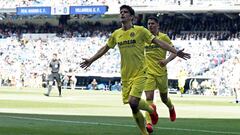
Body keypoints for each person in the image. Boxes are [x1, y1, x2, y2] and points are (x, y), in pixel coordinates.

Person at [80, 5, 190, 135]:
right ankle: (147, 126)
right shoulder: (116, 34)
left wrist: (176, 52)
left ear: (132, 17)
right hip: (126, 75)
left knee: (139, 100)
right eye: (121, 12)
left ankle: (155, 110)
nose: (122, 14)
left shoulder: (140, 31)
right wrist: (91, 59)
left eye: (125, 12)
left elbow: (159, 42)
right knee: (133, 107)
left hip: (141, 73)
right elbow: (105, 48)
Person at [143, 16, 180, 133]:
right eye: (148, 24)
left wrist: (166, 61)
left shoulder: (163, 37)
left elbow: (174, 52)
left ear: (158, 25)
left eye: (153, 23)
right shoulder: (144, 38)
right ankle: (149, 123)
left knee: (164, 98)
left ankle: (171, 107)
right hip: (148, 72)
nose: (150, 26)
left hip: (161, 73)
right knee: (149, 98)